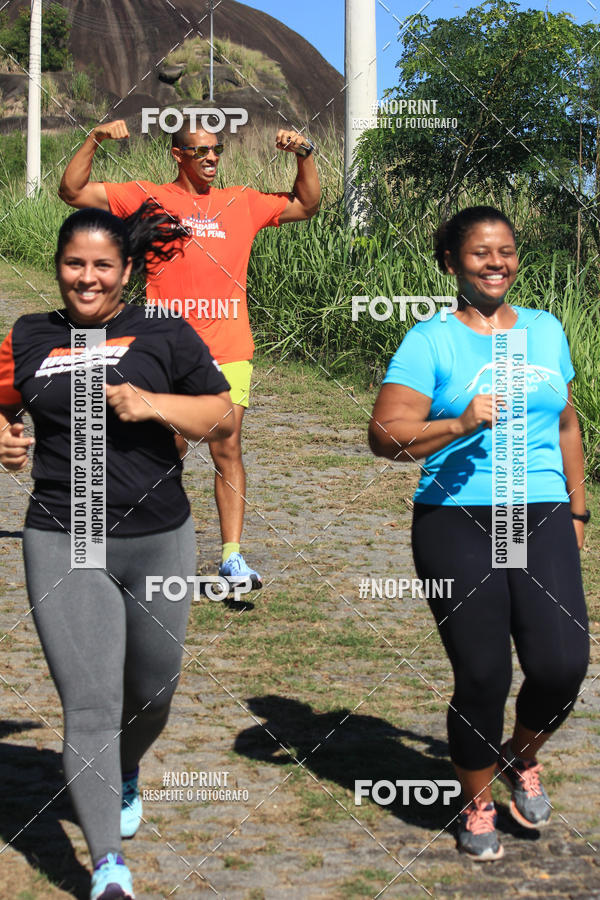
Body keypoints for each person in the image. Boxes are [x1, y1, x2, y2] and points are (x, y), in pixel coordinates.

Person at [0, 205, 234, 899]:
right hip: (64, 534)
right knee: (92, 703)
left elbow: (221, 415)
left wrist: (153, 405)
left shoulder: (163, 333)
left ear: (126, 271)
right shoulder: (31, 333)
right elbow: (8, 405)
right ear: (59, 268)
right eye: (75, 264)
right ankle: (107, 867)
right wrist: (6, 438)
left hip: (160, 535)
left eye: (103, 265)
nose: (87, 277)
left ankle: (126, 766)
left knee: (153, 694)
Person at [368, 206, 590, 861]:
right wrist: (461, 423)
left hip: (541, 509)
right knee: (484, 674)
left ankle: (521, 754)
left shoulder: (546, 331)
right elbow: (384, 437)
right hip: (457, 517)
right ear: (450, 265)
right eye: (479, 254)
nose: (496, 263)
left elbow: (568, 424)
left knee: (561, 665)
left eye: (506, 251)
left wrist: (578, 511)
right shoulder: (429, 340)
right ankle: (476, 804)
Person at [58, 117, 321, 589]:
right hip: (167, 346)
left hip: (230, 347)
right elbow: (73, 192)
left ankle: (232, 557)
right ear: (178, 155)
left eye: (216, 150)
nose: (211, 158)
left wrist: (304, 154)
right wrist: (94, 139)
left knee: (227, 446)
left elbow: (307, 203)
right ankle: (137, 540)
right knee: (167, 448)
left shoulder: (240, 202)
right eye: (200, 151)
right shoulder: (147, 195)